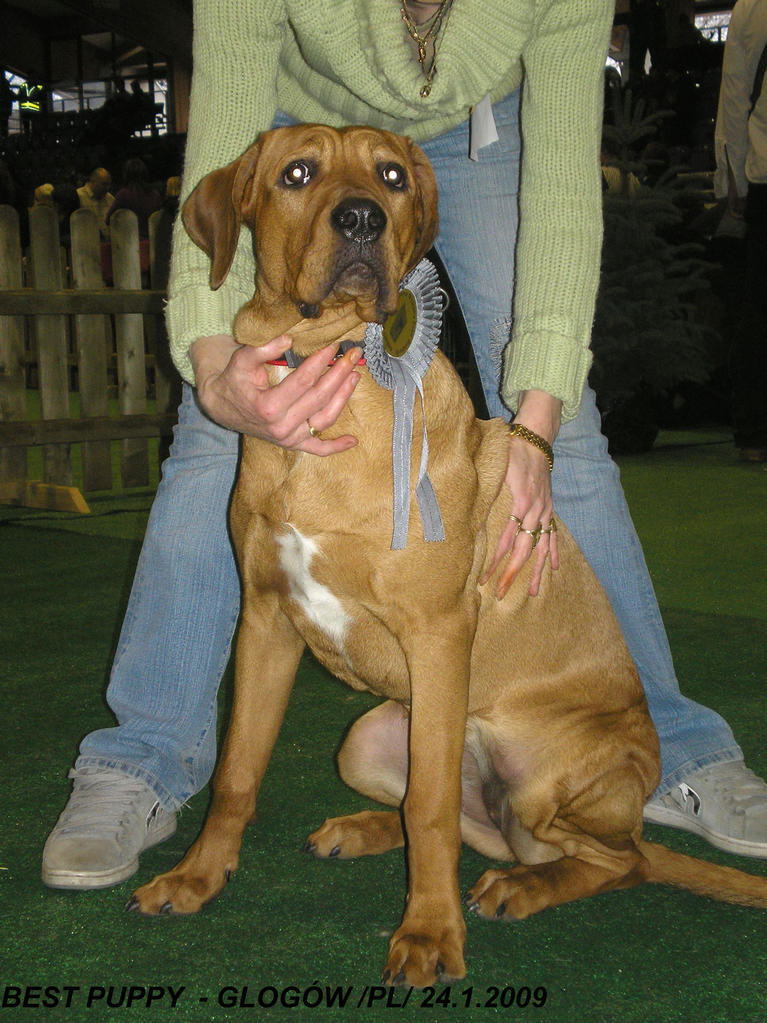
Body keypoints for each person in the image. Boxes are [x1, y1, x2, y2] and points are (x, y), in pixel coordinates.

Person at [42, 0, 767, 892]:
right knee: (211, 427)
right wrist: (214, 365)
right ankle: (141, 761)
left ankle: (672, 753)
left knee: (563, 431)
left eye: (376, 197)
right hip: (287, 106)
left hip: (484, 132)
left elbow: (564, 202)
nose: (355, 214)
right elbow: (222, 137)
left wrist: (536, 425)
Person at [714, 0, 767, 462]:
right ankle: (752, 430)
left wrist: (731, 176)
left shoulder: (750, 7)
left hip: (763, 173)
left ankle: (753, 432)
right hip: (764, 173)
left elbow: (735, 93)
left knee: (759, 305)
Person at [105, 158, 162, 239]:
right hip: (151, 239)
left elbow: (108, 219)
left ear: (126, 174)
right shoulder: (155, 194)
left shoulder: (123, 194)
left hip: (129, 240)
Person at [77, 167, 114, 239]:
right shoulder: (79, 196)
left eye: (109, 184)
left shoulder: (110, 199)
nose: (107, 188)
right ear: (93, 181)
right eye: (104, 184)